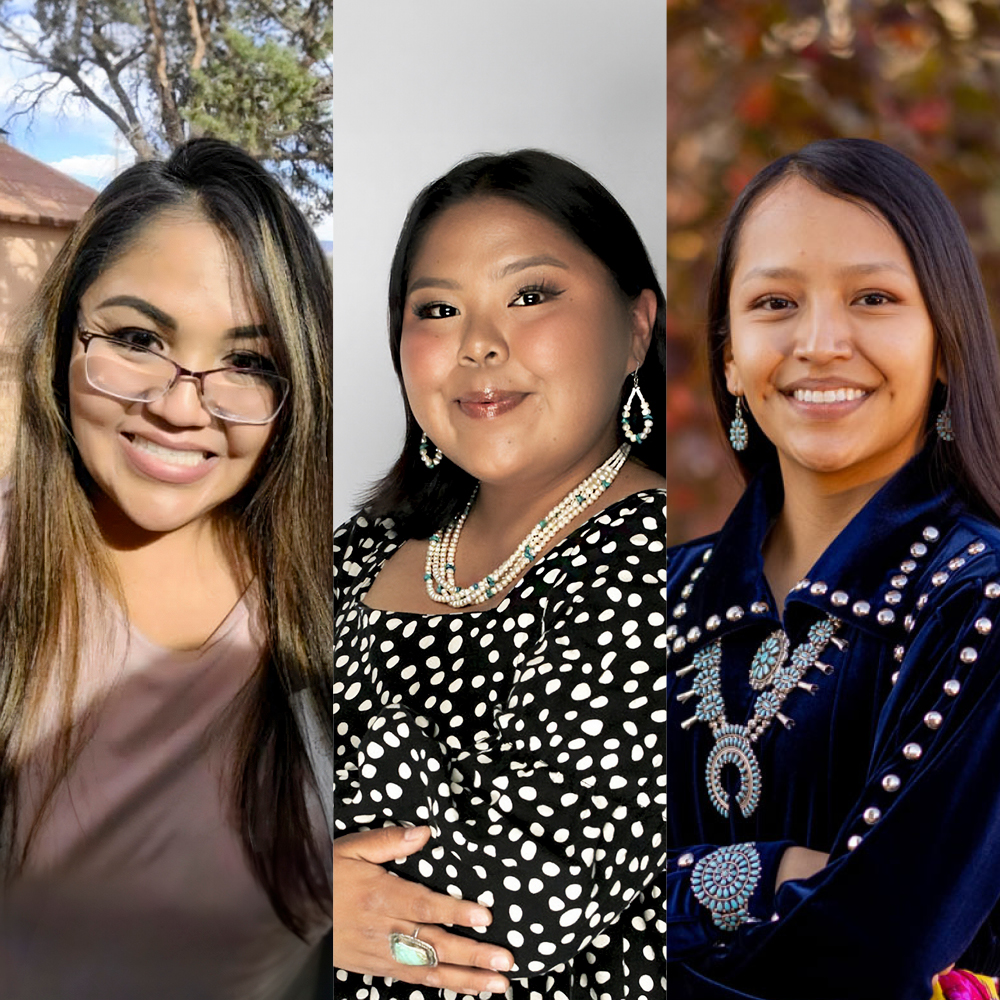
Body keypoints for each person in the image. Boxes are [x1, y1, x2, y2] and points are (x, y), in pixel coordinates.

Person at [667, 137, 1000, 999]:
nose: (819, 342)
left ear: (945, 340)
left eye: (874, 298)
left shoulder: (979, 601)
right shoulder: (655, 599)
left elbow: (879, 955)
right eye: (775, 301)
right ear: (731, 354)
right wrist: (774, 874)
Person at [0, 139, 332, 999]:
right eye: (138, 338)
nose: (182, 407)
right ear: (63, 337)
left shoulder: (351, 588)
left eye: (249, 362)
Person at [333, 149, 666, 999]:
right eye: (438, 309)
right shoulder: (359, 549)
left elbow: (505, 919)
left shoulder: (660, 562)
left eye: (530, 295)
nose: (478, 345)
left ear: (637, 327)